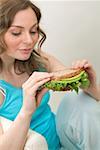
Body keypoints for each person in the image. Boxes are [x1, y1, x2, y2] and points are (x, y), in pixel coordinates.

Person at [0, 0, 99, 150]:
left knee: (77, 98)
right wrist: (26, 111)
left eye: (33, 31)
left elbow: (74, 84)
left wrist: (90, 87)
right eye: (16, 32)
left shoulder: (37, 60)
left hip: (63, 141)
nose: (29, 40)